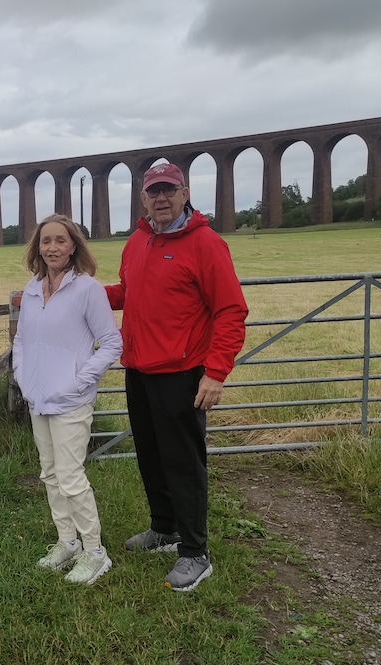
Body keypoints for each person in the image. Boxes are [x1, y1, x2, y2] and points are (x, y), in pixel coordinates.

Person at [105, 163, 249, 592]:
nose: (161, 198)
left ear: (184, 193)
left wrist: (216, 372)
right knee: (150, 456)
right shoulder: (138, 240)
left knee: (183, 463)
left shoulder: (205, 243)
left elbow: (231, 310)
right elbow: (128, 292)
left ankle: (195, 552)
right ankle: (164, 528)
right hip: (139, 369)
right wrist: (79, 291)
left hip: (182, 373)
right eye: (154, 191)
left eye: (169, 190)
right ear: (143, 198)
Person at [12, 214, 122, 585]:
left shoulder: (87, 289)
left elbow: (112, 342)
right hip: (38, 398)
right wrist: (22, 377)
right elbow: (22, 340)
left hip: (71, 400)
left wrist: (80, 380)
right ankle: (67, 542)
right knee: (50, 474)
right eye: (46, 241)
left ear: (73, 245)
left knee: (71, 477)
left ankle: (95, 552)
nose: (53, 247)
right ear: (38, 247)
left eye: (61, 240)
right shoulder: (32, 289)